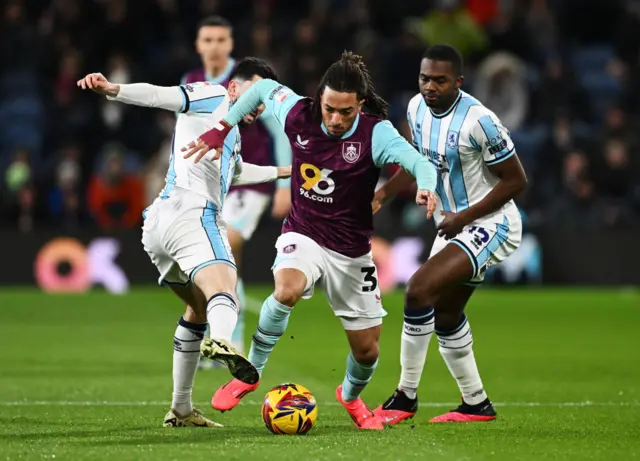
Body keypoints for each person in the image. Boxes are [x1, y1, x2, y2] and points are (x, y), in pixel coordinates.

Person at [182, 51, 438, 430]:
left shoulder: (376, 132)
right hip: (304, 231)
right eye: (330, 108)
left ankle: (350, 396)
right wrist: (222, 127)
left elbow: (420, 163)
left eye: (346, 112)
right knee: (285, 290)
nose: (336, 119)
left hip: (352, 251)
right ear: (319, 98)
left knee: (367, 352)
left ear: (360, 105)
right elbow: (262, 89)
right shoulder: (298, 112)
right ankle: (248, 373)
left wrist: (427, 187)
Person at [76, 58, 291, 428]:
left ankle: (181, 408)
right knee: (225, 291)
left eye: (265, 100)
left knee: (197, 309)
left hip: (159, 224)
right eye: (255, 94)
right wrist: (114, 90)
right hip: (193, 214)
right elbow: (162, 96)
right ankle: (223, 341)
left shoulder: (229, 132)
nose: (259, 105)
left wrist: (284, 171)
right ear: (235, 88)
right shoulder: (213, 95)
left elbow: (236, 172)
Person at [371, 44, 527, 424]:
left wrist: (464, 217)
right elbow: (419, 161)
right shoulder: (415, 108)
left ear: (458, 81)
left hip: (492, 223)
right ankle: (476, 404)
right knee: (445, 314)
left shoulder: (480, 120)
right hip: (454, 224)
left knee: (418, 289)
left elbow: (516, 180)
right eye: (425, 78)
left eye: (440, 80)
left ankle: (405, 397)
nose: (430, 87)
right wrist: (383, 195)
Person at [183, 16, 292, 358]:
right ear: (198, 45)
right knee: (209, 262)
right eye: (207, 40)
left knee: (227, 244)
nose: (214, 46)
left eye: (220, 40)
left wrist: (285, 185)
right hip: (209, 182)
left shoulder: (252, 80)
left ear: (230, 45)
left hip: (249, 182)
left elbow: (279, 132)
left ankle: (232, 339)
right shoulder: (191, 81)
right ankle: (211, 338)